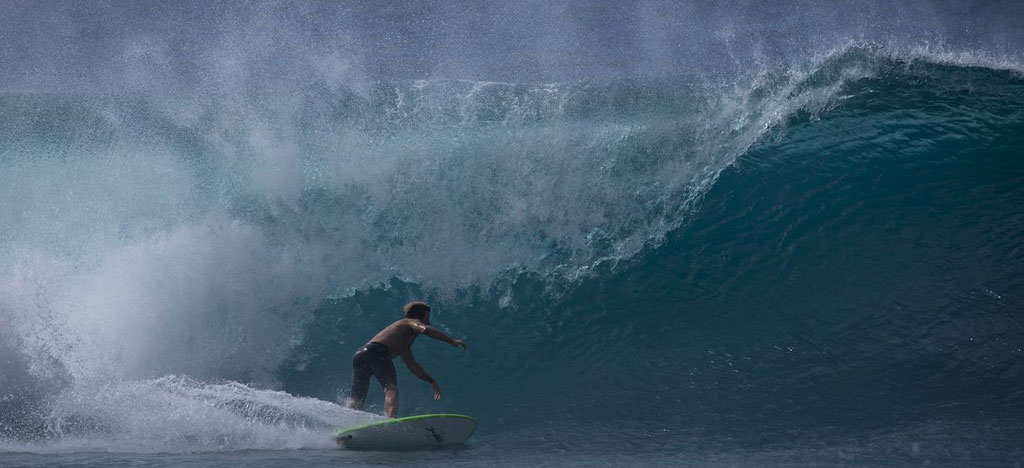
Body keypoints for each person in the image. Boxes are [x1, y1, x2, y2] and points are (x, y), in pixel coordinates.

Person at [346, 301, 467, 418]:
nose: (429, 322)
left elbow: (411, 364)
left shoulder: (401, 339)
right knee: (390, 388)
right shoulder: (410, 322)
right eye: (427, 317)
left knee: (358, 396)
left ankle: (347, 423)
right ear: (418, 316)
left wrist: (430, 380)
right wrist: (452, 341)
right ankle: (390, 422)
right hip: (378, 352)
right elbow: (426, 330)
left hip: (360, 355)